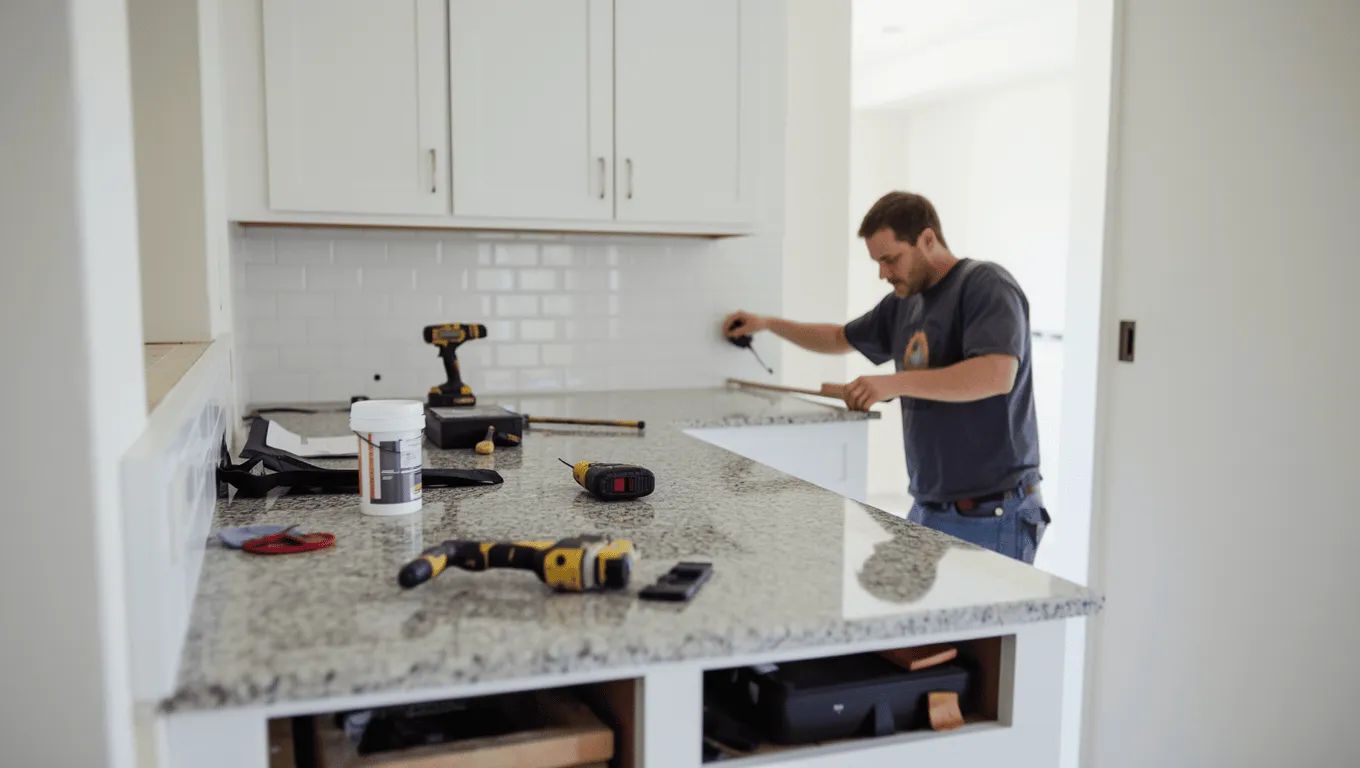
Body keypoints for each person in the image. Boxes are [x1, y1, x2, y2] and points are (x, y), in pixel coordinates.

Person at [723, 191, 1048, 563]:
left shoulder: (985, 285)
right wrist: (767, 323)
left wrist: (892, 383)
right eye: (877, 262)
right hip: (930, 507)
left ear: (927, 239)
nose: (883, 273)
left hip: (992, 512)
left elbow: (995, 374)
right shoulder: (903, 304)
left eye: (891, 259)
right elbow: (837, 338)